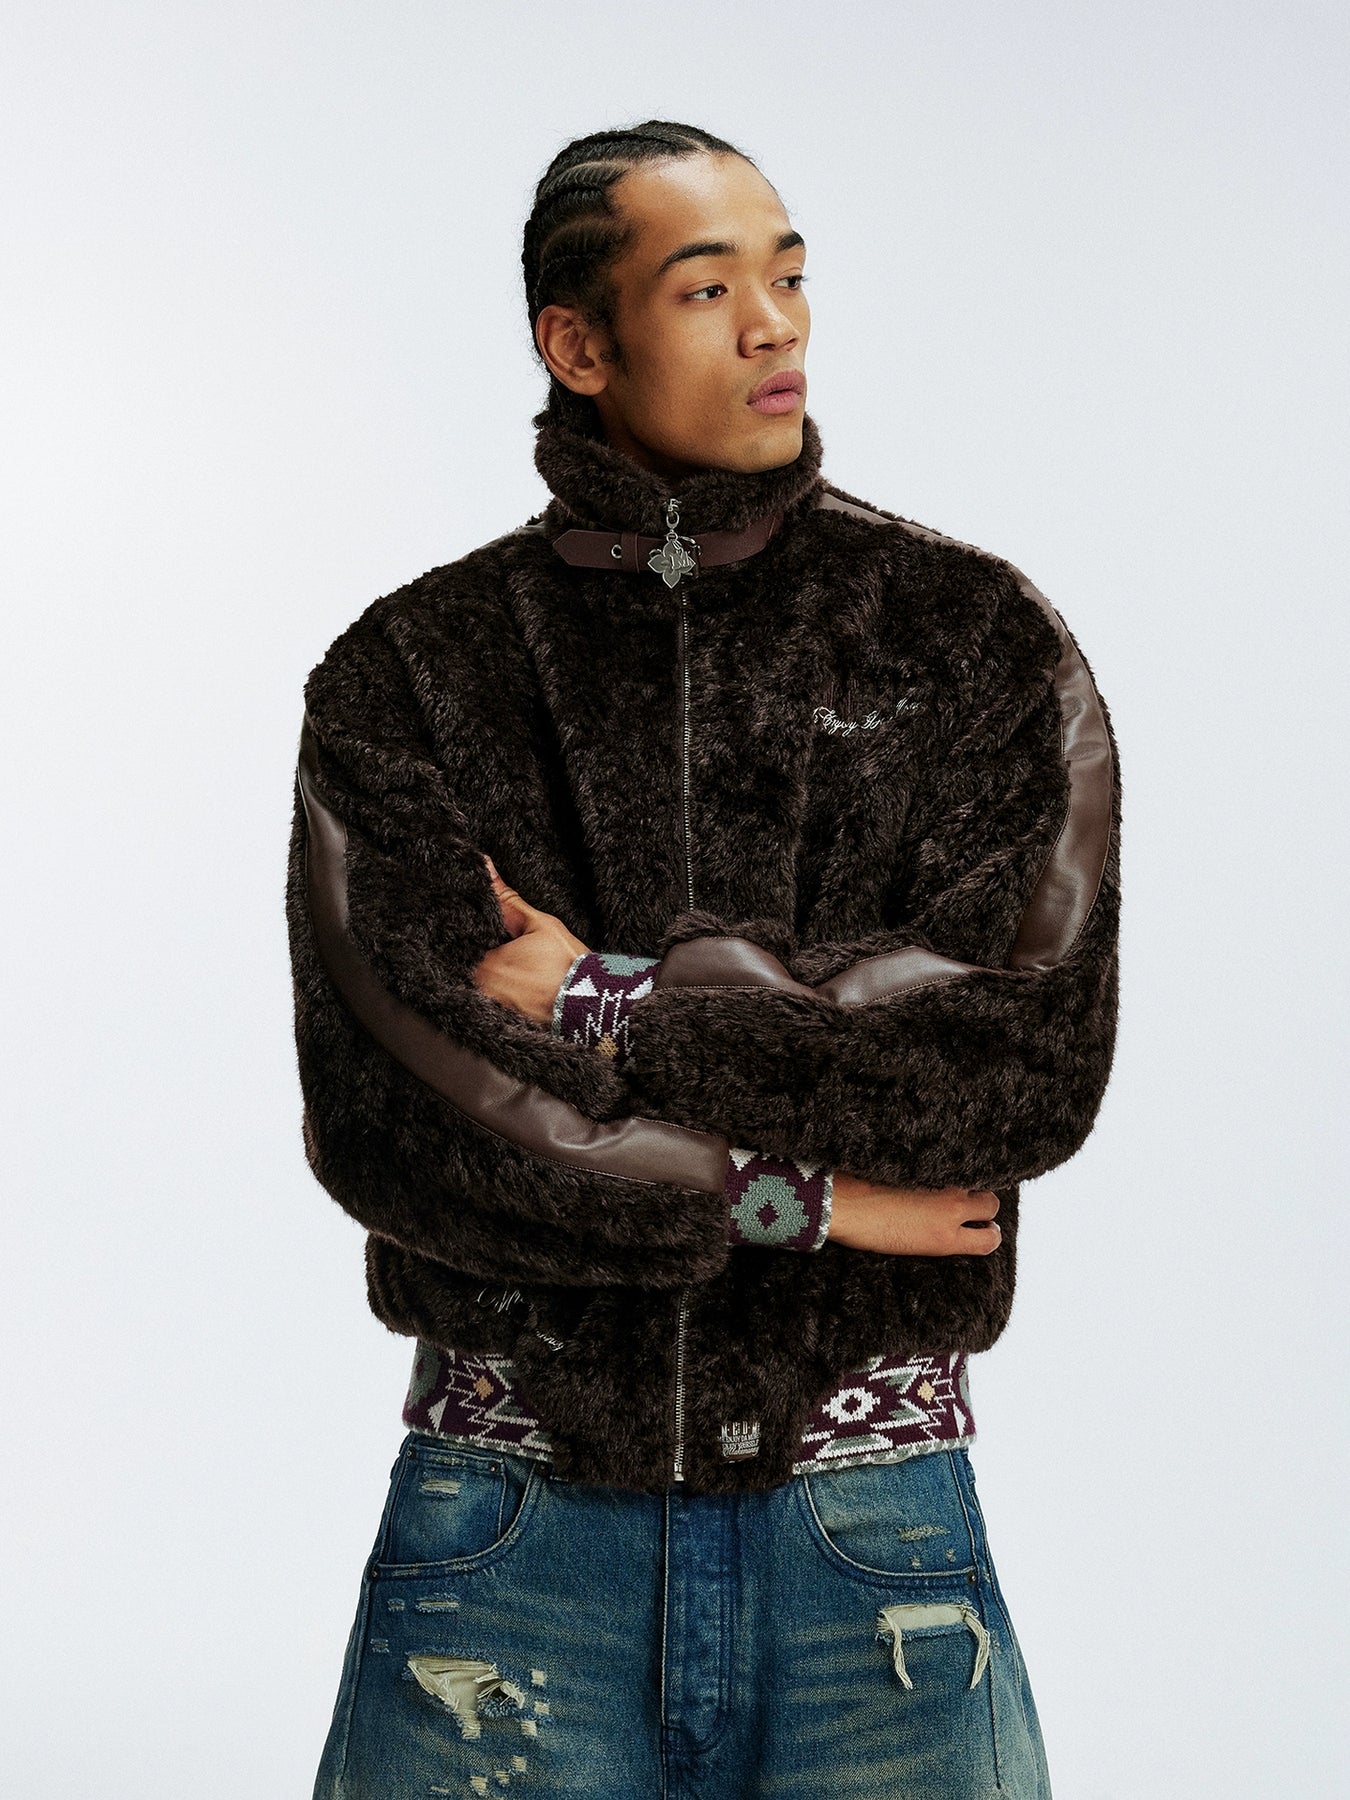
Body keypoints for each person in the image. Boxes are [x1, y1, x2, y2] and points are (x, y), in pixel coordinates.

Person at [288, 119, 1120, 1800]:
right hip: (512, 1538)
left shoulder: (970, 639)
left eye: (790, 276)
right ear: (576, 344)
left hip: (867, 1540)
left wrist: (609, 1001)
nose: (773, 325)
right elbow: (405, 1118)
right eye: (706, 286)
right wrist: (802, 1198)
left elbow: (1018, 1064)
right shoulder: (411, 672)